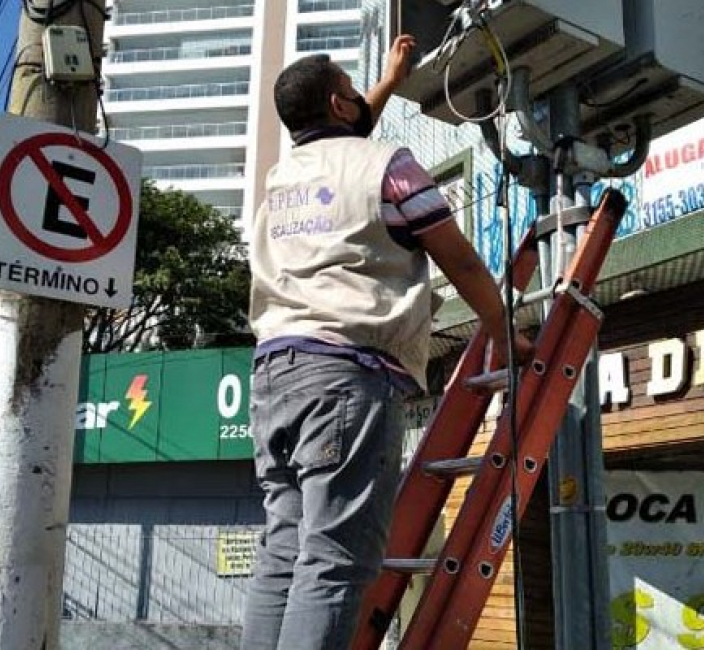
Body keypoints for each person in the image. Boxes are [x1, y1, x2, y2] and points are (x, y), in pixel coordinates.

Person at [240, 34, 535, 650]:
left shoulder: (279, 178)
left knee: (283, 550)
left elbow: (347, 129)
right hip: (344, 374)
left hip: (273, 375)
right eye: (353, 91)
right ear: (340, 105)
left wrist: (391, 77)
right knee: (335, 559)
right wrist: (504, 336)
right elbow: (462, 262)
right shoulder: (387, 166)